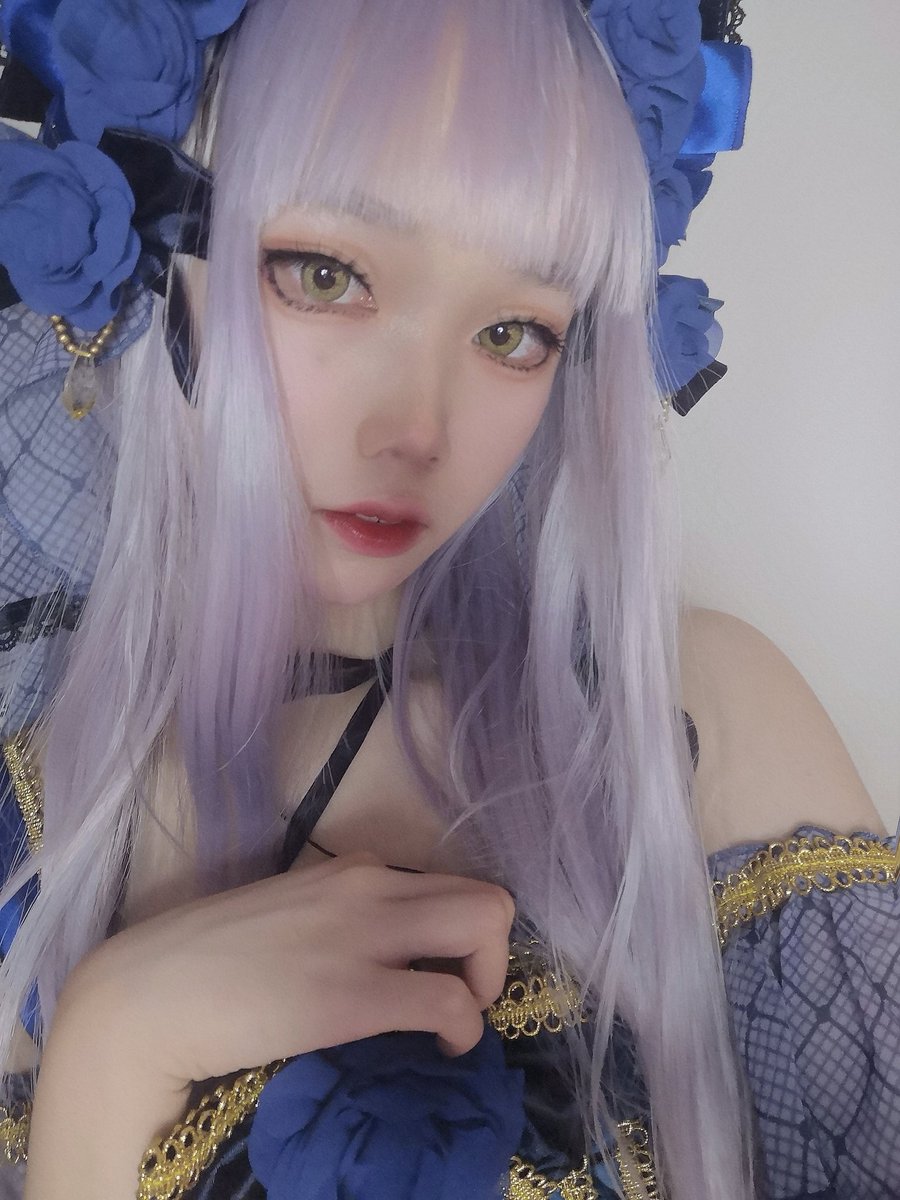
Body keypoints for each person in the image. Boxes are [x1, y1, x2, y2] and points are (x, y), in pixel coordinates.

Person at [0, 1, 896, 1198]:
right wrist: (109, 1057)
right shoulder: (39, 836)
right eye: (329, 276)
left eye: (514, 332)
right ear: (165, 252)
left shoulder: (696, 733)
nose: (418, 430)